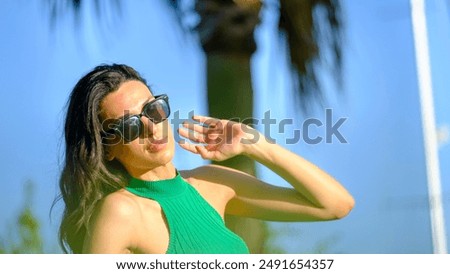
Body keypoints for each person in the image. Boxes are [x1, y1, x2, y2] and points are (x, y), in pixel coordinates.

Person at [57, 63, 354, 254]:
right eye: (130, 126)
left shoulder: (211, 183)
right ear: (107, 147)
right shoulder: (120, 211)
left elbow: (335, 205)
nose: (151, 127)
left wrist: (255, 143)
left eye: (153, 109)